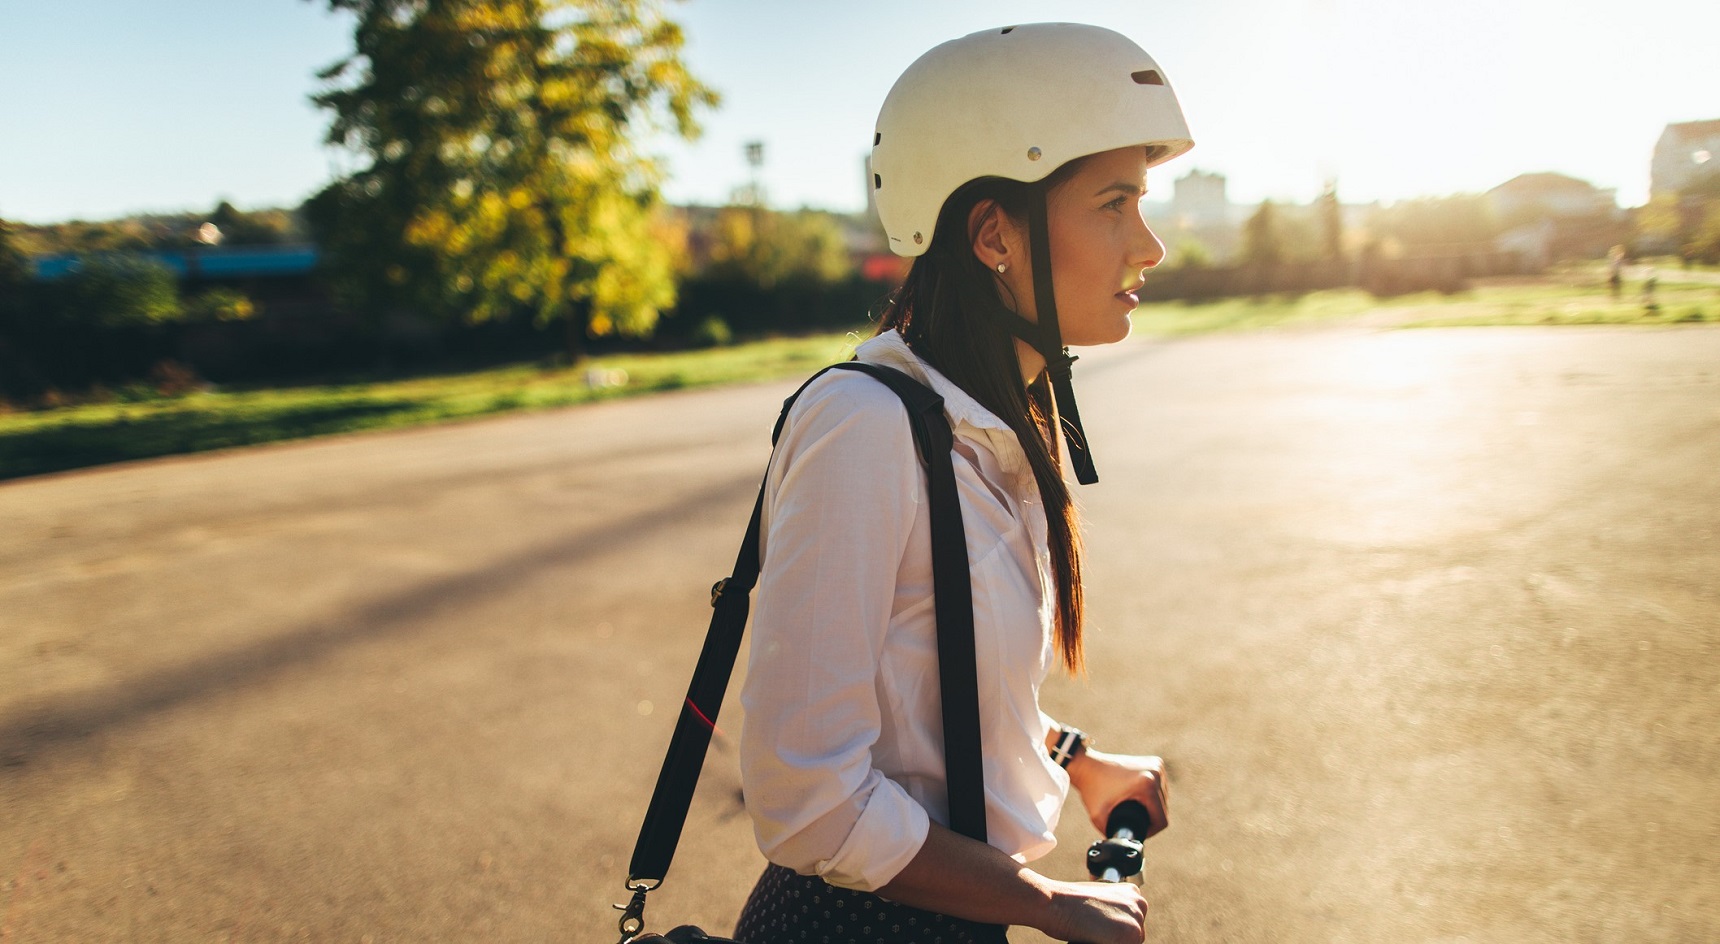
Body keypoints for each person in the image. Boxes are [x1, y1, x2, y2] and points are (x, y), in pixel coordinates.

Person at [733, 23, 1194, 944]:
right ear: (994, 235)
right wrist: (1051, 903)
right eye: (1114, 204)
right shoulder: (865, 427)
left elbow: (935, 685)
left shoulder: (984, 426)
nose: (1150, 246)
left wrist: (1073, 758)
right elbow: (807, 798)